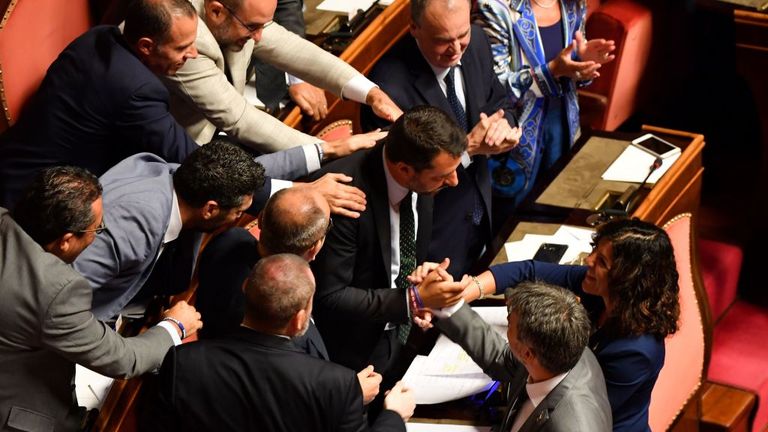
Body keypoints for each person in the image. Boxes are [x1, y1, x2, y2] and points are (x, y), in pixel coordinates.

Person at [0, 167, 202, 432]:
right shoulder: (56, 289)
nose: (97, 236)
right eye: (96, 229)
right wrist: (174, 326)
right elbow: (121, 359)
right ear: (66, 241)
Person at [440, 218, 680, 431]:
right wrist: (461, 293)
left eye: (603, 262)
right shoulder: (597, 288)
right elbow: (529, 271)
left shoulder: (637, 352)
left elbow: (578, 405)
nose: (589, 260)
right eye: (595, 250)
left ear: (626, 279)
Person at [142, 254, 415, 431]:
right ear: (299, 320)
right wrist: (393, 416)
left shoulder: (183, 361)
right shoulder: (338, 385)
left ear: (245, 289)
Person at [361, 0, 522, 278]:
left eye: (462, 36)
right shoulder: (388, 88)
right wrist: (469, 149)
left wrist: (503, 127)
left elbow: (499, 102)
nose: (457, 50)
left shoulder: (479, 42)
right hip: (432, 239)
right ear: (414, 28)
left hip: (481, 219)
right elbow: (397, 180)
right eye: (443, 41)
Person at [310, 106, 468, 385]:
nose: (453, 182)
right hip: (352, 357)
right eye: (442, 177)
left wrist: (420, 281)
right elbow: (330, 297)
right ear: (405, 169)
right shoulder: (344, 196)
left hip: (402, 335)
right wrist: (412, 300)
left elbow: (400, 250)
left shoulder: (425, 172)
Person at [160, 0, 395, 154]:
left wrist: (372, 93)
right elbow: (239, 118)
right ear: (216, 11)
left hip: (219, 136)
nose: (259, 37)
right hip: (181, 153)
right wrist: (329, 148)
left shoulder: (242, 15)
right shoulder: (187, 38)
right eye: (253, 27)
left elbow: (293, 49)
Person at [74, 141, 264, 321]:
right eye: (238, 212)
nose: (238, 219)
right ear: (210, 210)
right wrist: (170, 330)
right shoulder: (137, 226)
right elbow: (59, 297)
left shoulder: (172, 174)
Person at [473, 0, 615, 209]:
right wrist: (551, 71)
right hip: (512, 146)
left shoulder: (574, 4)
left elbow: (570, 65)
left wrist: (583, 63)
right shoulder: (494, 7)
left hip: (563, 134)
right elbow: (491, 89)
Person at [434, 281, 612, 431]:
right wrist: (448, 303)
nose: (506, 325)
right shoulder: (565, 348)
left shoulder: (570, 426)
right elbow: (503, 358)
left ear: (527, 353)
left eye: (509, 322)